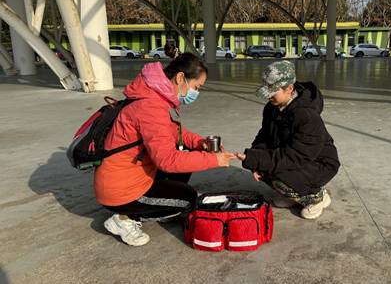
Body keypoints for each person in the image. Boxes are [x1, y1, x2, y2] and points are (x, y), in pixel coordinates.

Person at [94, 53, 237, 246]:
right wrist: (215, 160)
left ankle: (151, 205)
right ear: (180, 78)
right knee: (189, 199)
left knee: (186, 154)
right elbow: (167, 161)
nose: (196, 93)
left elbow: (172, 131)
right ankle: (125, 219)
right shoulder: (150, 106)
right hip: (122, 191)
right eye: (196, 87)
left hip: (127, 174)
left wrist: (199, 142)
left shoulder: (150, 95)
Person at [236, 61, 340, 219]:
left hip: (318, 162)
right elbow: (265, 135)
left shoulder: (307, 116)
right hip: (294, 157)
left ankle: (316, 197)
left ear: (289, 88)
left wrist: (258, 160)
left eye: (273, 92)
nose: (269, 96)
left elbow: (296, 156)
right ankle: (294, 196)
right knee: (263, 168)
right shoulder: (272, 107)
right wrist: (256, 156)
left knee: (277, 174)